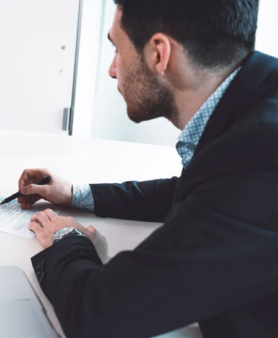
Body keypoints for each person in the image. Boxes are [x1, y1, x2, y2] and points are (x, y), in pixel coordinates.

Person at [17, 0, 278, 337]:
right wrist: (75, 194)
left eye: (117, 49)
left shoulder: (259, 154)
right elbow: (199, 191)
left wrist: (65, 239)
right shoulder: (261, 95)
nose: (112, 69)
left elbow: (98, 317)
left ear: (159, 54)